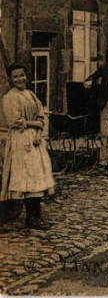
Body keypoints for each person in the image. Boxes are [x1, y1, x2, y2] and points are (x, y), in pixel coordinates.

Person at [1, 62, 55, 230]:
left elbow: (40, 113)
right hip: (20, 140)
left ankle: (34, 216)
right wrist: (35, 125)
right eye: (15, 76)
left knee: (37, 177)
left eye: (22, 75)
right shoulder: (9, 98)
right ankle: (16, 215)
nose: (19, 79)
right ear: (10, 79)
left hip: (34, 141)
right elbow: (14, 122)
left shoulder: (31, 94)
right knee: (25, 178)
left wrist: (39, 133)